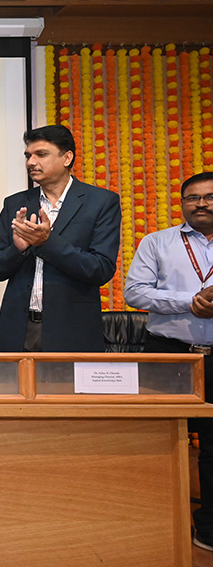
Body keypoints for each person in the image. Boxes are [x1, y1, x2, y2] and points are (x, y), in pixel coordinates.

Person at [124, 171, 213, 551]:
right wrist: (189, 301)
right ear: (182, 203)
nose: (201, 203)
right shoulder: (157, 242)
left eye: (209, 196)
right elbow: (135, 293)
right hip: (169, 354)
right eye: (192, 197)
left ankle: (208, 531)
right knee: (159, 440)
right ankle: (155, 525)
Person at [0, 124, 121, 352]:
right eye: (28, 156)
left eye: (41, 154)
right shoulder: (15, 203)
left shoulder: (100, 202)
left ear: (67, 158)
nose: (31, 162)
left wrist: (47, 243)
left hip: (72, 331)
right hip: (18, 330)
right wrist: (17, 249)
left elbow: (100, 269)